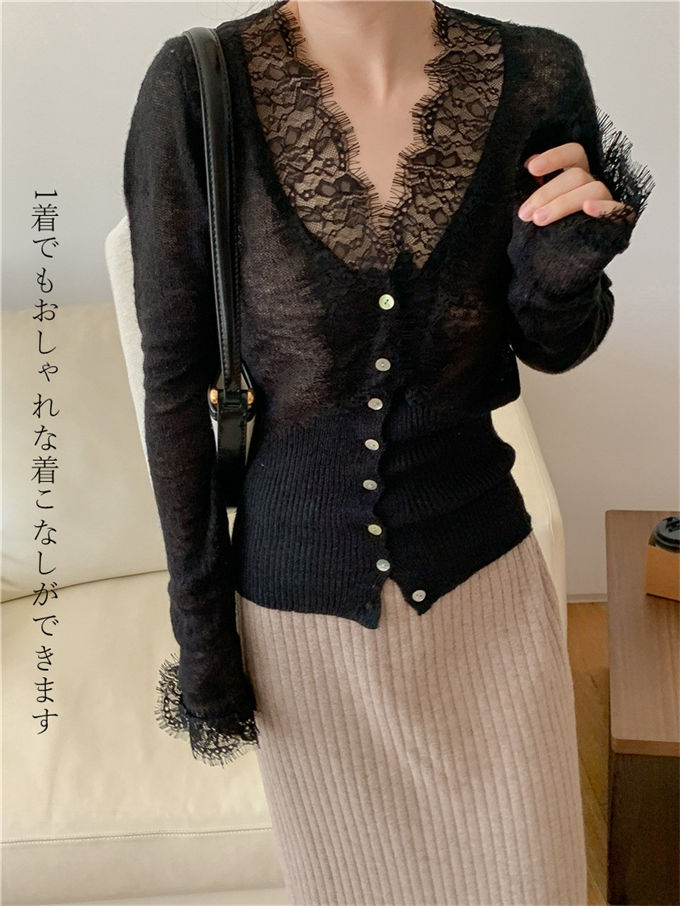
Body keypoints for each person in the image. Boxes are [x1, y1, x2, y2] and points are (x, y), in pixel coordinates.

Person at [122, 1, 654, 903]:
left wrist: (562, 275)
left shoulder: (539, 74)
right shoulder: (197, 89)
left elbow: (553, 345)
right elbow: (176, 385)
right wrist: (203, 637)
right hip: (301, 634)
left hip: (489, 604)